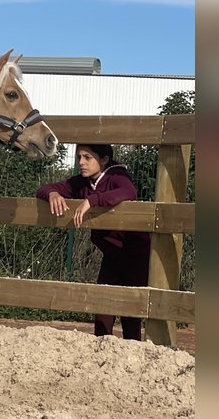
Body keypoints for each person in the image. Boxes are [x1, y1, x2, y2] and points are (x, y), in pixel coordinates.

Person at [36, 144, 151, 340]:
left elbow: (128, 192)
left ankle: (133, 360)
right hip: (111, 255)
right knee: (102, 310)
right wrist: (52, 194)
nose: (81, 162)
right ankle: (101, 357)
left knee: (130, 314)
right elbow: (45, 188)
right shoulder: (82, 182)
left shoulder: (118, 177)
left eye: (87, 157)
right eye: (79, 157)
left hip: (136, 254)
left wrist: (92, 200)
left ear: (104, 160)